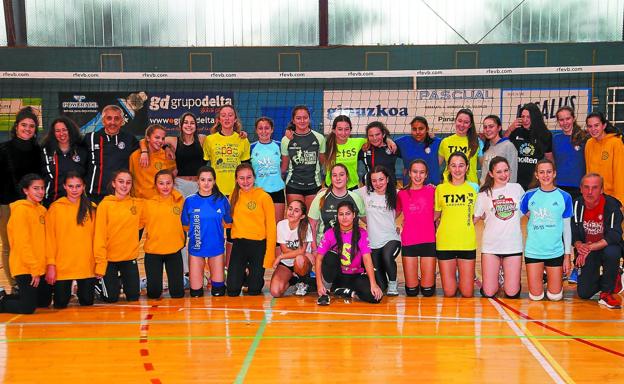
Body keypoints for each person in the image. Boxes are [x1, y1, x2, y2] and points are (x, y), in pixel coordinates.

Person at [0, 107, 43, 289]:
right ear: (16, 126)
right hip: (7, 204)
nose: (27, 129)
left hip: (32, 205)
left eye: (31, 126)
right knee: (10, 244)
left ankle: (32, 280)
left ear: (35, 129)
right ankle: (15, 284)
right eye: (24, 125)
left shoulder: (38, 150)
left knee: (32, 243)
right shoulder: (4, 149)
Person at [519, 159, 572, 301]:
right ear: (536, 175)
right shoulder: (529, 196)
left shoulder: (565, 197)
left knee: (555, 297)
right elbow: (521, 214)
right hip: (534, 251)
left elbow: (567, 228)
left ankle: (550, 273)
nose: (545, 175)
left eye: (549, 172)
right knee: (535, 297)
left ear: (554, 174)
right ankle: (541, 274)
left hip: (555, 251)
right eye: (541, 172)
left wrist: (567, 256)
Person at [0, 174, 52, 314]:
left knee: (44, 302)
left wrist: (47, 265)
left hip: (39, 267)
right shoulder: (20, 211)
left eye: (42, 188)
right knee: (28, 308)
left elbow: (46, 241)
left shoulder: (42, 210)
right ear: (25, 191)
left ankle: (14, 296)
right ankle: (2, 302)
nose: (41, 192)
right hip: (25, 267)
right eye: (36, 188)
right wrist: (34, 269)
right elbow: (23, 244)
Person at [44, 172, 97, 308]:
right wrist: (51, 264)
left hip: (86, 265)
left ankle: (83, 289)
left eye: (78, 186)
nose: (74, 190)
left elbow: (98, 238)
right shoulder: (55, 208)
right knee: (60, 304)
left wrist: (98, 262)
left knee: (87, 302)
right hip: (63, 266)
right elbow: (50, 238)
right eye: (71, 186)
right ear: (64, 187)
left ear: (84, 187)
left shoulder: (92, 208)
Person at [315, 200, 383, 305]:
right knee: (330, 257)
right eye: (341, 214)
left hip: (356, 275)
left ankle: (348, 292)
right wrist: (319, 283)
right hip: (337, 276)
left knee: (375, 297)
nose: (344, 217)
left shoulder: (361, 233)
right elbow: (319, 259)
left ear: (354, 215)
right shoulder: (330, 233)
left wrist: (373, 284)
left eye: (348, 214)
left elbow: (367, 258)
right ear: (337, 216)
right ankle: (327, 291)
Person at [474, 157, 524, 298]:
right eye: (499, 172)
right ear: (491, 173)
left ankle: (507, 275)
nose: (503, 175)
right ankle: (499, 273)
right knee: (489, 292)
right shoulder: (484, 194)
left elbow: (528, 212)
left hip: (513, 246)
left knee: (511, 293)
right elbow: (474, 218)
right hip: (491, 247)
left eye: (506, 171)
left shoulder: (517, 189)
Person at [572, 173, 623, 309]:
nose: (590, 192)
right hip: (588, 250)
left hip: (605, 247)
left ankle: (606, 292)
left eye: (594, 188)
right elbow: (573, 232)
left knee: (612, 252)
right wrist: (579, 246)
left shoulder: (612, 205)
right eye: (586, 187)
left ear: (601, 190)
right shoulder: (576, 204)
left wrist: (589, 247)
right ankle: (614, 278)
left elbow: (615, 235)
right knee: (584, 293)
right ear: (581, 188)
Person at [93, 169, 144, 302]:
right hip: (109, 259)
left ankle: (120, 281)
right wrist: (100, 264)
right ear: (114, 184)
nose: (124, 185)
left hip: (129, 257)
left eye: (128, 182)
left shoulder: (137, 204)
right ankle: (95, 284)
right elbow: (99, 236)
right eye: (121, 182)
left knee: (133, 297)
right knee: (110, 298)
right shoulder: (105, 205)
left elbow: (143, 223)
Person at [181, 166, 232, 297]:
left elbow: (229, 222)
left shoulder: (221, 200)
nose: (206, 183)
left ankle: (220, 273)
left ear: (214, 181)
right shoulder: (190, 201)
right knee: (196, 293)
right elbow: (185, 225)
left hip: (216, 249)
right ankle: (198, 277)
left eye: (210, 180)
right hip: (196, 249)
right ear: (197, 181)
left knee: (218, 292)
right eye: (203, 180)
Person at [227, 164, 276, 296]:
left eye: (249, 177)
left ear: (254, 178)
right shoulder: (233, 195)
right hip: (240, 245)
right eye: (241, 178)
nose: (245, 181)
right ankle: (240, 273)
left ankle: (253, 275)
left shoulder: (264, 197)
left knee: (254, 290)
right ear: (236, 180)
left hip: (258, 245)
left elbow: (271, 228)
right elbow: (228, 221)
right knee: (232, 291)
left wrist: (269, 255)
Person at [434, 152, 478, 297]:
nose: (457, 169)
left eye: (461, 165)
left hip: (467, 242)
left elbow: (479, 213)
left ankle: (467, 277)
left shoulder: (474, 188)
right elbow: (435, 216)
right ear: (448, 168)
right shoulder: (440, 189)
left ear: (467, 168)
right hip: (445, 242)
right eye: (453, 165)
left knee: (467, 293)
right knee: (449, 292)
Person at [139, 112, 206, 197]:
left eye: (192, 123)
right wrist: (144, 152)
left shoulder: (202, 139)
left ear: (196, 126)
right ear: (180, 125)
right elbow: (144, 141)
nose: (189, 125)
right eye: (185, 122)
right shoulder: (173, 140)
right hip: (180, 185)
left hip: (198, 185)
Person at [142, 169, 185, 299]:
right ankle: (144, 282)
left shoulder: (180, 200)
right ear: (155, 185)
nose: (165, 186)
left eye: (168, 183)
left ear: (173, 183)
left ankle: (185, 281)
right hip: (153, 252)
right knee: (154, 293)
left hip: (174, 251)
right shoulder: (147, 203)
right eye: (161, 183)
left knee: (177, 294)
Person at [83, 105, 139, 203]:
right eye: (109, 118)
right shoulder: (90, 138)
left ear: (122, 121)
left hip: (120, 196)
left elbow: (148, 144)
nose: (112, 122)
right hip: (95, 197)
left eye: (116, 119)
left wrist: (166, 148)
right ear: (103, 121)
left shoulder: (129, 139)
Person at [358, 165, 401, 295]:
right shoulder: (365, 193)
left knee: (387, 256)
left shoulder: (397, 193)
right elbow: (346, 192)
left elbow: (413, 195)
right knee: (381, 286)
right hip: (372, 243)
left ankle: (393, 283)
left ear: (387, 179)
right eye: (374, 180)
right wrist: (326, 190)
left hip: (391, 239)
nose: (378, 183)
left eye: (381, 179)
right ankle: (386, 281)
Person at [396, 160, 437, 297]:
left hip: (428, 241)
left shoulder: (433, 190)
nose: (418, 176)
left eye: (422, 172)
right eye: (415, 172)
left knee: (427, 292)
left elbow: (441, 210)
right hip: (409, 241)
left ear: (426, 175)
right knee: (411, 292)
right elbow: (392, 214)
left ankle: (428, 280)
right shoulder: (401, 194)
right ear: (409, 173)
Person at [308, 164, 367, 248]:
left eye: (341, 175)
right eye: (334, 175)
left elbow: (368, 221)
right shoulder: (321, 197)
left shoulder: (356, 198)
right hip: (325, 246)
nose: (338, 178)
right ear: (331, 179)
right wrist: (314, 249)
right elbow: (311, 226)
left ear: (347, 177)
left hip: (350, 245)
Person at [281, 105, 326, 209]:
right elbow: (284, 167)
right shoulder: (286, 140)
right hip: (293, 185)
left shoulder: (319, 138)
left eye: (305, 118)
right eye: (298, 118)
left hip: (314, 185)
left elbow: (323, 163)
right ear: (293, 120)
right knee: (296, 218)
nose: (302, 121)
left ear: (309, 119)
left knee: (312, 220)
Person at [202, 105, 251, 196]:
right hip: (215, 190)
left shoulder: (243, 140)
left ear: (235, 119)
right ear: (219, 120)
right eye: (223, 115)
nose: (227, 118)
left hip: (237, 190)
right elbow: (203, 165)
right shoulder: (210, 140)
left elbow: (246, 167)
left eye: (230, 115)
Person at [270, 200, 314, 298]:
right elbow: (285, 250)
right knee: (275, 292)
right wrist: (302, 252)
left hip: (302, 262)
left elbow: (300, 252)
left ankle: (303, 281)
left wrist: (280, 257)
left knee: (299, 258)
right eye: (290, 209)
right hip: (287, 262)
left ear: (302, 216)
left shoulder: (305, 226)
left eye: (296, 210)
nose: (291, 212)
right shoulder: (281, 225)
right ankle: (292, 280)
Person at [40, 116, 88, 206]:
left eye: (64, 130)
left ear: (71, 130)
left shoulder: (82, 151)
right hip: (51, 202)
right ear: (53, 133)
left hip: (77, 203)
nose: (61, 133)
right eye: (57, 131)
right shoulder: (45, 151)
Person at [505, 103, 553, 190]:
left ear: (535, 118)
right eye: (522, 117)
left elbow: (549, 159)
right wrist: (510, 129)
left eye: (528, 117)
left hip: (536, 182)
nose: (525, 120)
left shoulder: (545, 134)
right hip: (517, 181)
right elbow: (501, 144)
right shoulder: (515, 131)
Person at [250, 117, 286, 224]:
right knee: (261, 224)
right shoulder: (251, 147)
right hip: (259, 191)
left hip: (277, 190)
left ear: (272, 130)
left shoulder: (279, 145)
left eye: (267, 128)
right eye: (260, 128)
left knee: (277, 225)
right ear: (256, 130)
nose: (264, 131)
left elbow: (284, 167)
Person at [584, 111, 624, 204]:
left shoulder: (616, 143)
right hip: (595, 198)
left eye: (596, 125)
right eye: (590, 126)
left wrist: (620, 202)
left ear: (604, 125)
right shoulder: (589, 143)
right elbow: (589, 172)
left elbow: (620, 174)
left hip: (612, 198)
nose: (593, 129)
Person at [129, 124, 177, 199]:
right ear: (148, 138)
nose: (160, 141)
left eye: (163, 138)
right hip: (139, 203)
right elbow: (131, 179)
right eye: (157, 137)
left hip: (159, 203)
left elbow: (172, 176)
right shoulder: (135, 156)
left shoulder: (167, 155)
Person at [552, 106, 588, 200]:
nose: (565, 123)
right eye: (561, 120)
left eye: (568, 119)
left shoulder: (584, 138)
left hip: (580, 187)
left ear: (573, 118)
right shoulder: (555, 139)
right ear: (558, 121)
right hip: (559, 186)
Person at [439, 109, 481, 185]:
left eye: (466, 122)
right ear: (455, 121)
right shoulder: (445, 142)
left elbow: (485, 167)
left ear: (470, 125)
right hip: (449, 185)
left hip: (470, 186)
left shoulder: (477, 142)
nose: (462, 125)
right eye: (460, 121)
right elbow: (436, 165)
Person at [396, 116, 442, 185]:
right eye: (414, 129)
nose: (417, 132)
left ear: (427, 129)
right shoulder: (403, 142)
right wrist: (388, 140)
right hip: (410, 187)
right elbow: (386, 145)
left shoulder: (437, 142)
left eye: (421, 129)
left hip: (432, 187)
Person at [358, 121, 401, 185]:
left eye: (377, 134)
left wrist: (388, 140)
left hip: (390, 187)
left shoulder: (392, 147)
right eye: (371, 135)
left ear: (383, 134)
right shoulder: (365, 149)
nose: (374, 138)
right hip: (371, 187)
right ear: (368, 137)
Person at [480, 115, 517, 184]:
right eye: (485, 127)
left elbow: (512, 173)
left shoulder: (508, 146)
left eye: (491, 126)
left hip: (502, 191)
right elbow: (484, 174)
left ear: (499, 128)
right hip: (486, 190)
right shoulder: (487, 147)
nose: (487, 129)